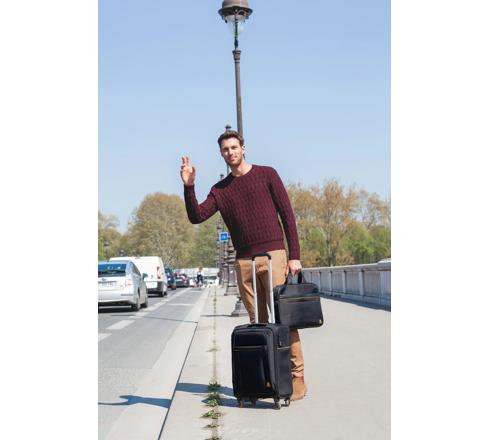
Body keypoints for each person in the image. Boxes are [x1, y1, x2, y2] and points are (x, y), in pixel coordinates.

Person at [180, 129, 306, 401]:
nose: (231, 152)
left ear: (243, 148)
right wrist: (189, 187)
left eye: (234, 147)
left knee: (284, 318)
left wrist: (294, 255)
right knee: (257, 323)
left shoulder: (267, 174)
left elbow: (287, 215)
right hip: (244, 261)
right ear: (221, 154)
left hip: (273, 255)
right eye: (225, 150)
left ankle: (296, 377)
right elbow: (196, 216)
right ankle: (265, 379)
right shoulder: (220, 190)